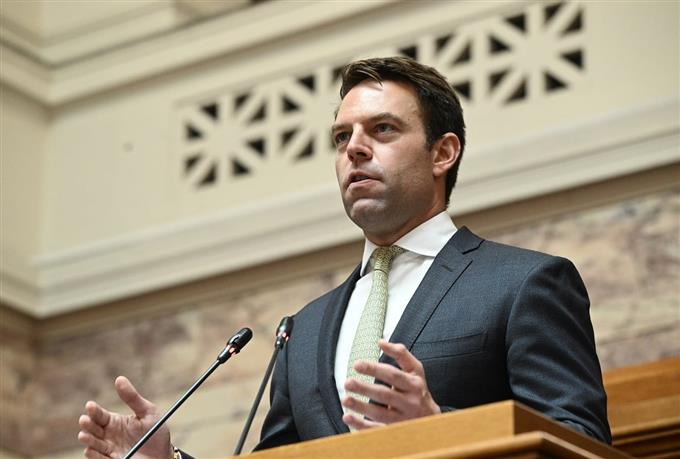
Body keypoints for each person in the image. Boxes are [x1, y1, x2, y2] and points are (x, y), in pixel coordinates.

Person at [77, 57, 611, 458]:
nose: (353, 148)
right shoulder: (303, 330)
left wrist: (437, 424)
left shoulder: (524, 283)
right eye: (341, 137)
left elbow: (580, 443)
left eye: (382, 129)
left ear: (443, 153)